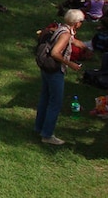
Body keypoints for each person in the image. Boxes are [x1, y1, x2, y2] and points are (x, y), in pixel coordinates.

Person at [35, 9, 86, 145]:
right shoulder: (65, 34)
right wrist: (71, 64)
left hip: (46, 69)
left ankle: (39, 128)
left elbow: (73, 41)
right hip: (55, 71)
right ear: (76, 23)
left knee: (45, 99)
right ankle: (47, 135)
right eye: (81, 21)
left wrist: (84, 45)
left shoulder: (61, 28)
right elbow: (55, 53)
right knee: (55, 103)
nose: (82, 24)